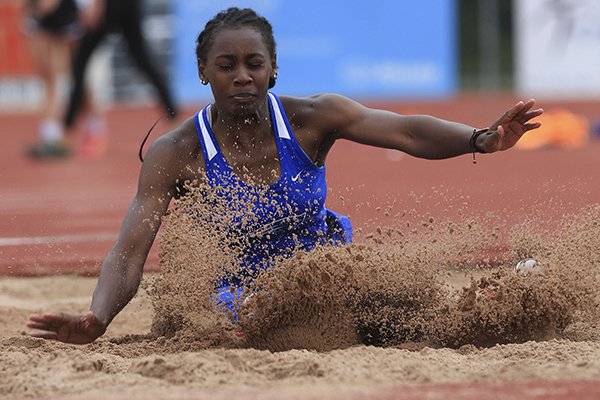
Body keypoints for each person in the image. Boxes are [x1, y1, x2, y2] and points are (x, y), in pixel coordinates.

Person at [26, 7, 543, 344]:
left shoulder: (311, 117)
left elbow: (405, 131)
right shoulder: (176, 152)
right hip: (236, 293)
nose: (242, 76)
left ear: (274, 69)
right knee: (268, 329)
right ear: (204, 71)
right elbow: (129, 250)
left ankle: (506, 305)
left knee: (404, 316)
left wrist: (482, 139)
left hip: (323, 268)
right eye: (226, 65)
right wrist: (98, 318)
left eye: (254, 63)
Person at [29, 0, 179, 159]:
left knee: (80, 66)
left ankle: (66, 135)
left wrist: (96, 5)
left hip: (111, 5)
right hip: (127, 5)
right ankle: (175, 118)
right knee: (142, 61)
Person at [22, 0, 81, 158]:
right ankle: (51, 134)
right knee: (47, 77)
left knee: (72, 74)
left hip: (64, 11)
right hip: (38, 13)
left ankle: (89, 127)